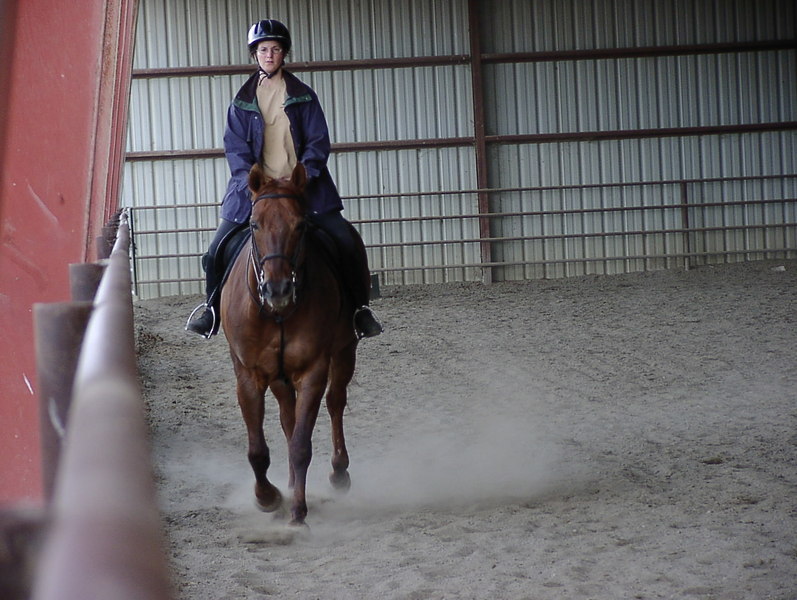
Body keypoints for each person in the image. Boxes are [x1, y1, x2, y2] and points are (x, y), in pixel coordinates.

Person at [186, 19, 382, 340]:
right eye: (263, 49)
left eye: (275, 49)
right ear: (254, 54)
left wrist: (305, 175)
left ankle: (360, 310)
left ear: (284, 53)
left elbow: (318, 142)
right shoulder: (241, 101)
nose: (269, 55)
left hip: (304, 189)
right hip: (255, 192)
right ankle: (210, 310)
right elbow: (235, 148)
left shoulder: (304, 96)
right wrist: (250, 181)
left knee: (347, 242)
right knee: (216, 250)